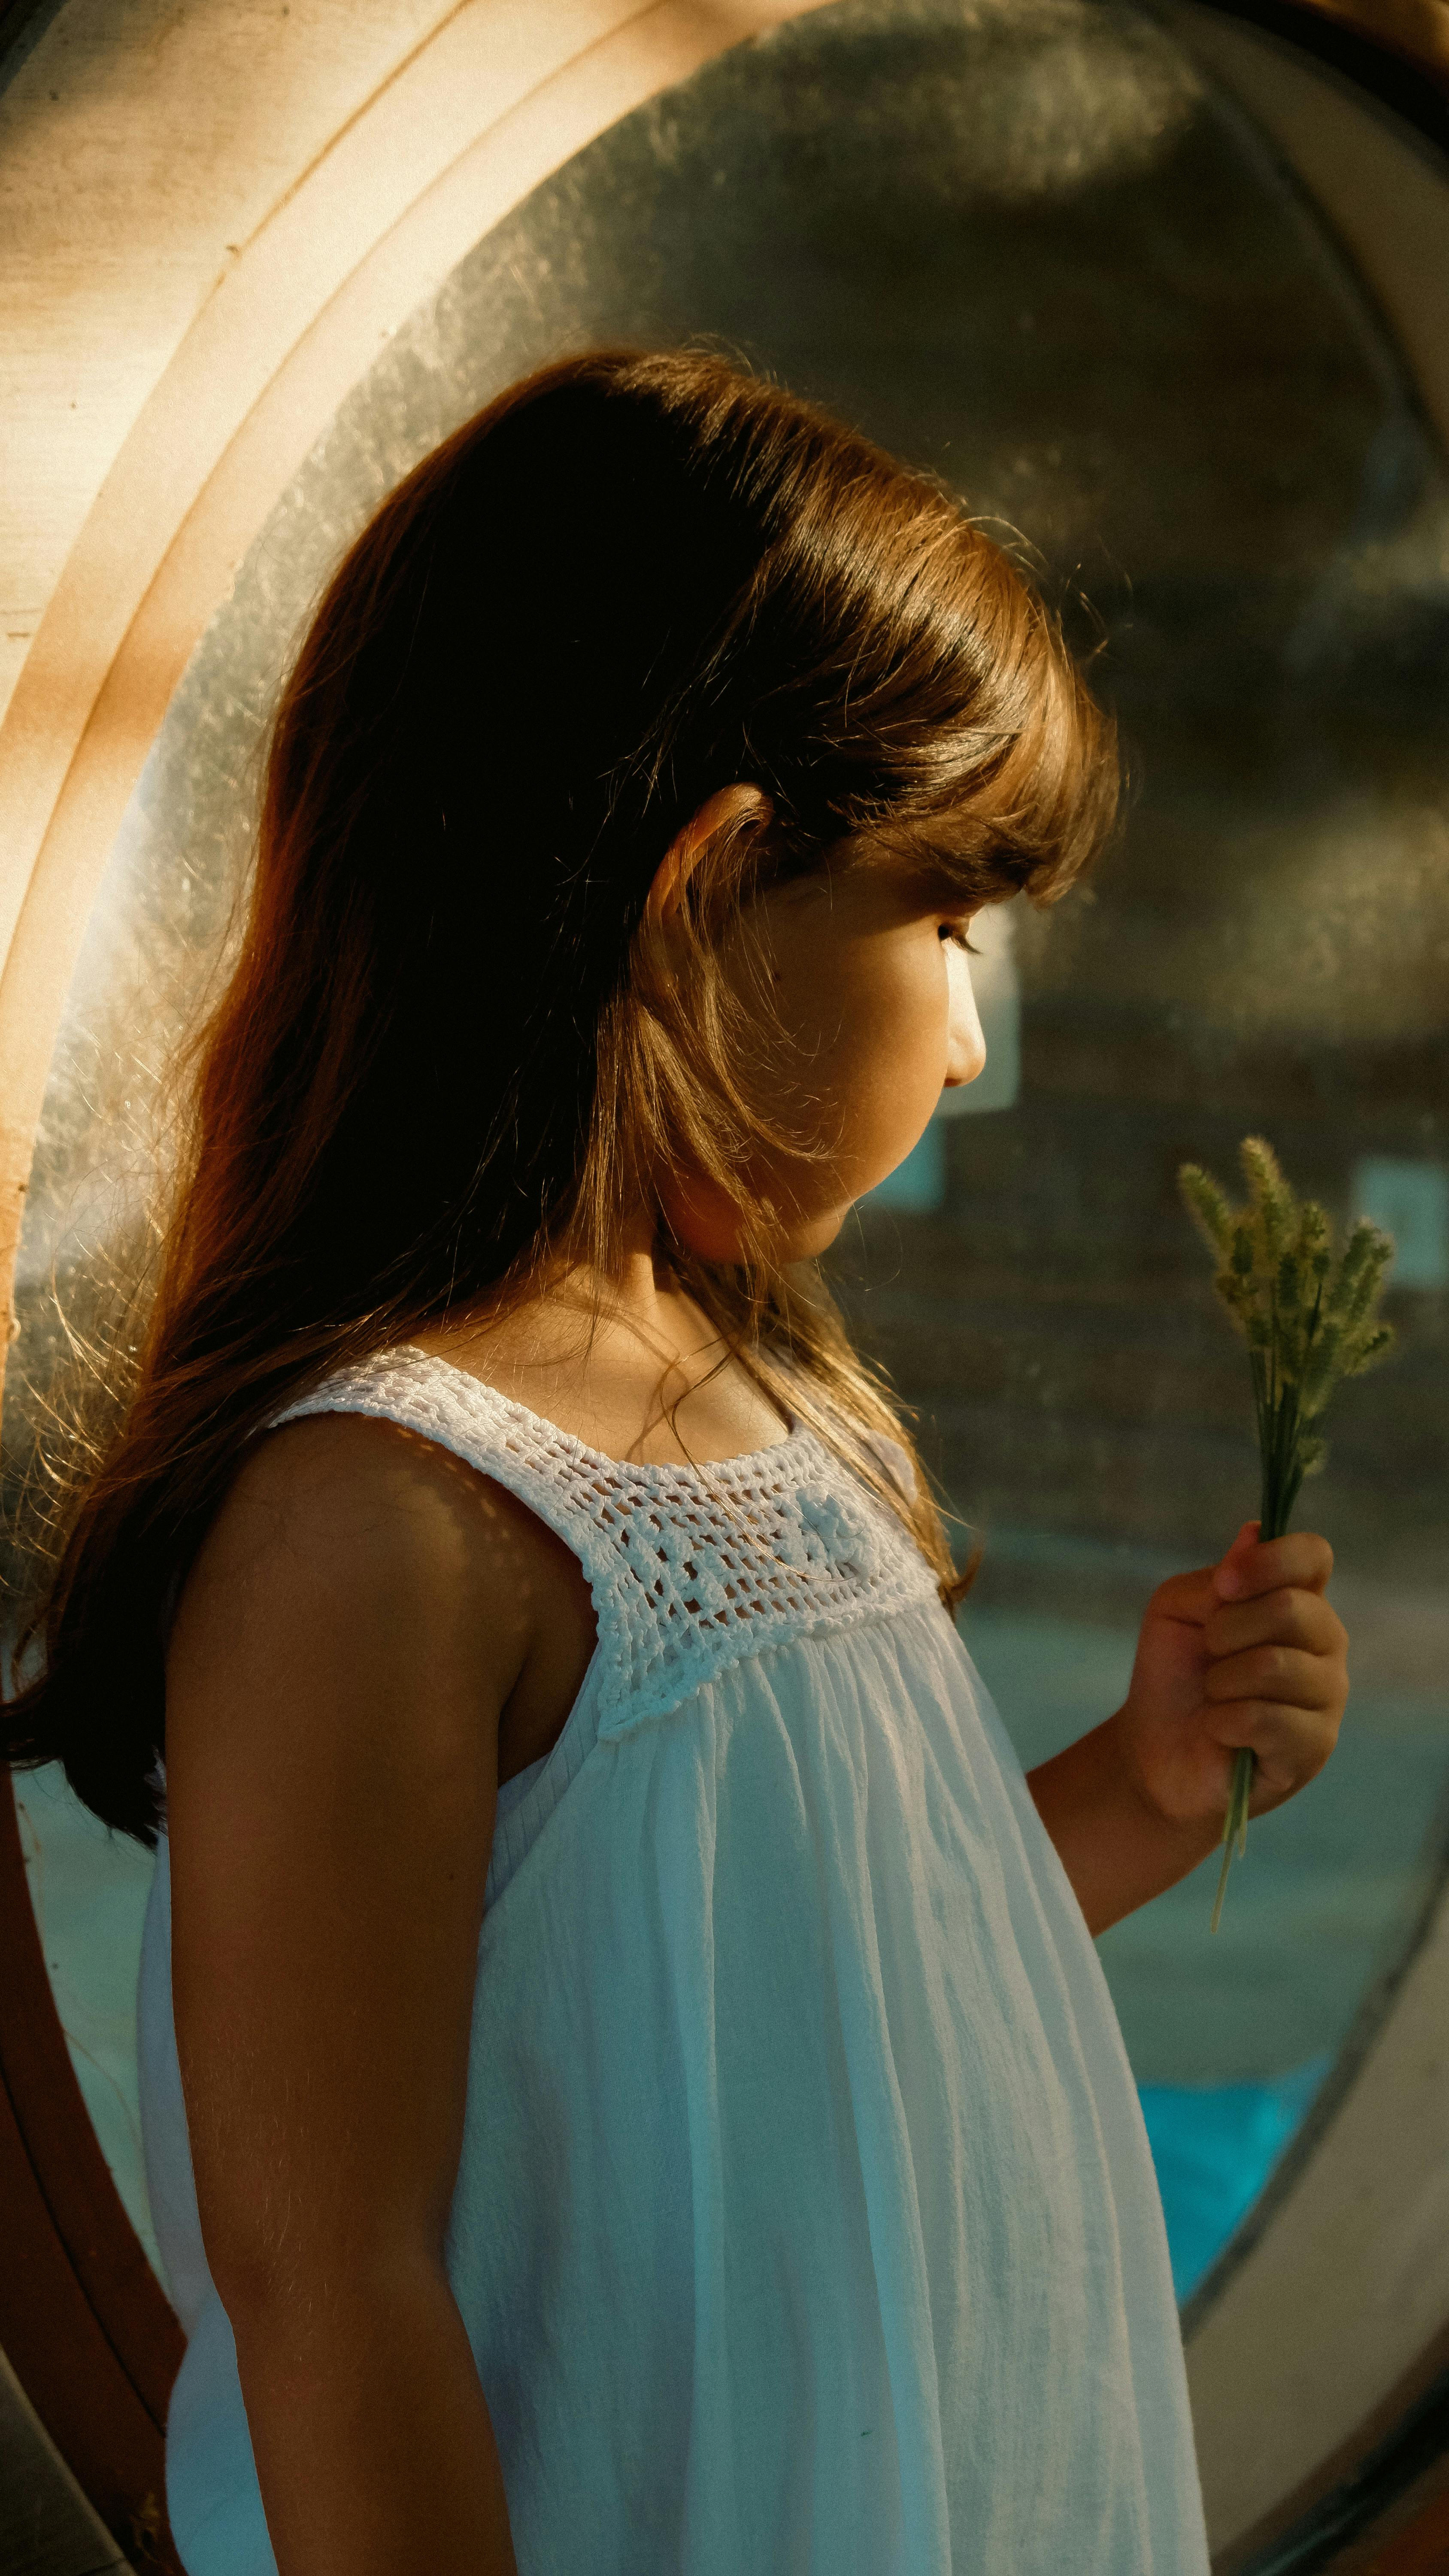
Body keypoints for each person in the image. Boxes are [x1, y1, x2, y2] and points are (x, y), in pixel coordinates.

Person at [4, 348, 1349, 2576]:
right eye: (946, 919)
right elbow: (334, 2292)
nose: (974, 1024)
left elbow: (799, 1987)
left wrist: (1127, 1789)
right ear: (708, 892)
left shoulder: (769, 1398)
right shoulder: (393, 1523)